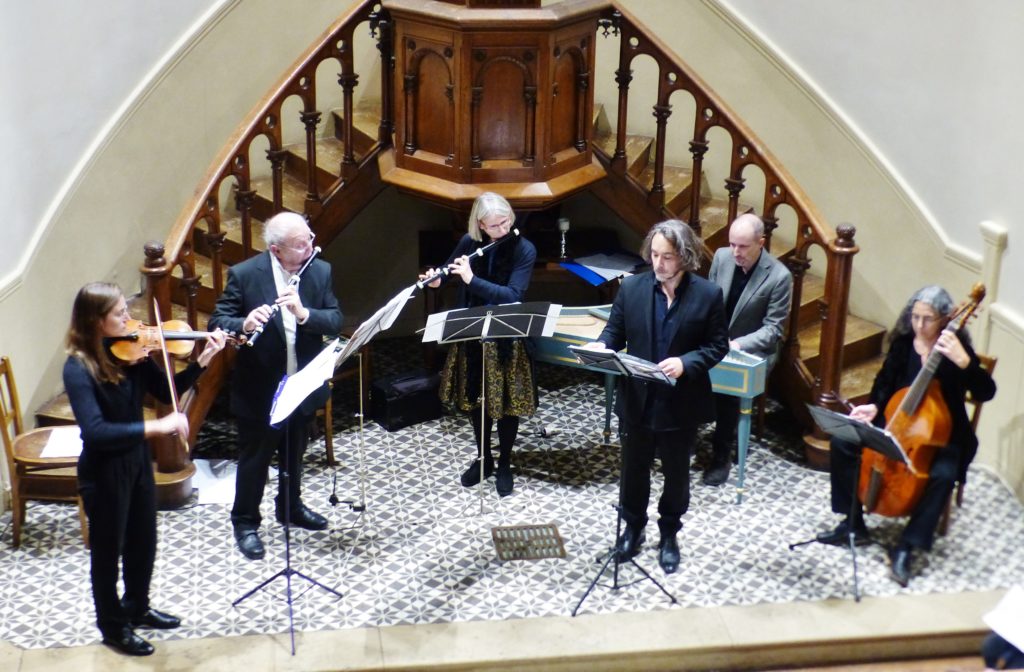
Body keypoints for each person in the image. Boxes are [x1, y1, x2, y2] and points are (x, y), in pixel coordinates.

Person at [63, 282, 226, 656]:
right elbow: (96, 431)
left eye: (126, 309)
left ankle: (137, 607)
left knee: (143, 541)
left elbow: (167, 392)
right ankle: (113, 627)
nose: (130, 318)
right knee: (108, 552)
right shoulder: (78, 368)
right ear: (96, 321)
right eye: (119, 313)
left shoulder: (132, 354)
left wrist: (203, 361)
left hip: (136, 462)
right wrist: (157, 427)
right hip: (104, 471)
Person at [815, 285, 996, 586]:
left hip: (942, 434)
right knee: (843, 443)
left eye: (927, 319)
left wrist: (964, 362)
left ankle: (907, 546)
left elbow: (986, 392)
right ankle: (853, 523)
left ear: (944, 318)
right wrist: (874, 406)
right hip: (895, 422)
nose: (920, 326)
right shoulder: (903, 343)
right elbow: (885, 381)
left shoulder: (955, 349)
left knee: (943, 474)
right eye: (915, 317)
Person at [582, 219, 728, 574]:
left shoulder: (708, 295)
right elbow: (614, 331)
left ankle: (669, 534)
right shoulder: (632, 287)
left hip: (681, 404)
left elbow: (717, 346)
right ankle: (633, 529)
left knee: (677, 475)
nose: (658, 263)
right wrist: (600, 346)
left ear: (685, 256)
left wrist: (686, 362)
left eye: (667, 257)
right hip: (638, 401)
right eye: (654, 254)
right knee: (633, 472)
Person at [209, 211, 343, 560]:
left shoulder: (319, 270)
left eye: (309, 239)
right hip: (261, 388)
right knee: (254, 459)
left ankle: (290, 507)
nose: (309, 247)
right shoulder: (244, 275)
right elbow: (218, 320)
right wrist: (244, 323)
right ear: (275, 250)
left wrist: (303, 314)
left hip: (301, 384)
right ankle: (245, 522)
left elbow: (335, 318)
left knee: (295, 452)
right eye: (300, 245)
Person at [421, 192, 537, 497]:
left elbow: (513, 295)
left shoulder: (524, 249)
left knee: (507, 405)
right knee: (476, 400)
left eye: (506, 222)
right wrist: (437, 280)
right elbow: (448, 273)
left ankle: (505, 463)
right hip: (473, 336)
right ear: (480, 225)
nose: (502, 229)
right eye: (494, 226)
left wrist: (472, 280)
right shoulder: (469, 243)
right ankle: (484, 458)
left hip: (506, 338)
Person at [704, 213, 792, 486]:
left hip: (753, 347)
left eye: (743, 247)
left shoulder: (779, 276)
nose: (735, 252)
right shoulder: (722, 257)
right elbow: (707, 300)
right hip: (718, 339)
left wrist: (737, 344)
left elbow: (773, 330)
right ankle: (677, 437)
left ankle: (721, 454)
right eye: (732, 244)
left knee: (728, 394)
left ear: (761, 243)